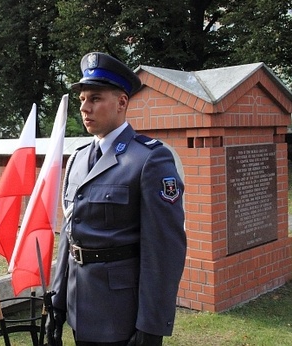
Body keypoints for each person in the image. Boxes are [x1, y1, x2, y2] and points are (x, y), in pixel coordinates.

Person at [47, 52, 187, 346]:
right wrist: (57, 303)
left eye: (95, 98)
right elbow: (69, 236)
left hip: (120, 316)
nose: (85, 108)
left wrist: (151, 328)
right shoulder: (78, 159)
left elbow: (164, 251)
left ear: (122, 102)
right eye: (82, 99)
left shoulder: (149, 159)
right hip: (78, 306)